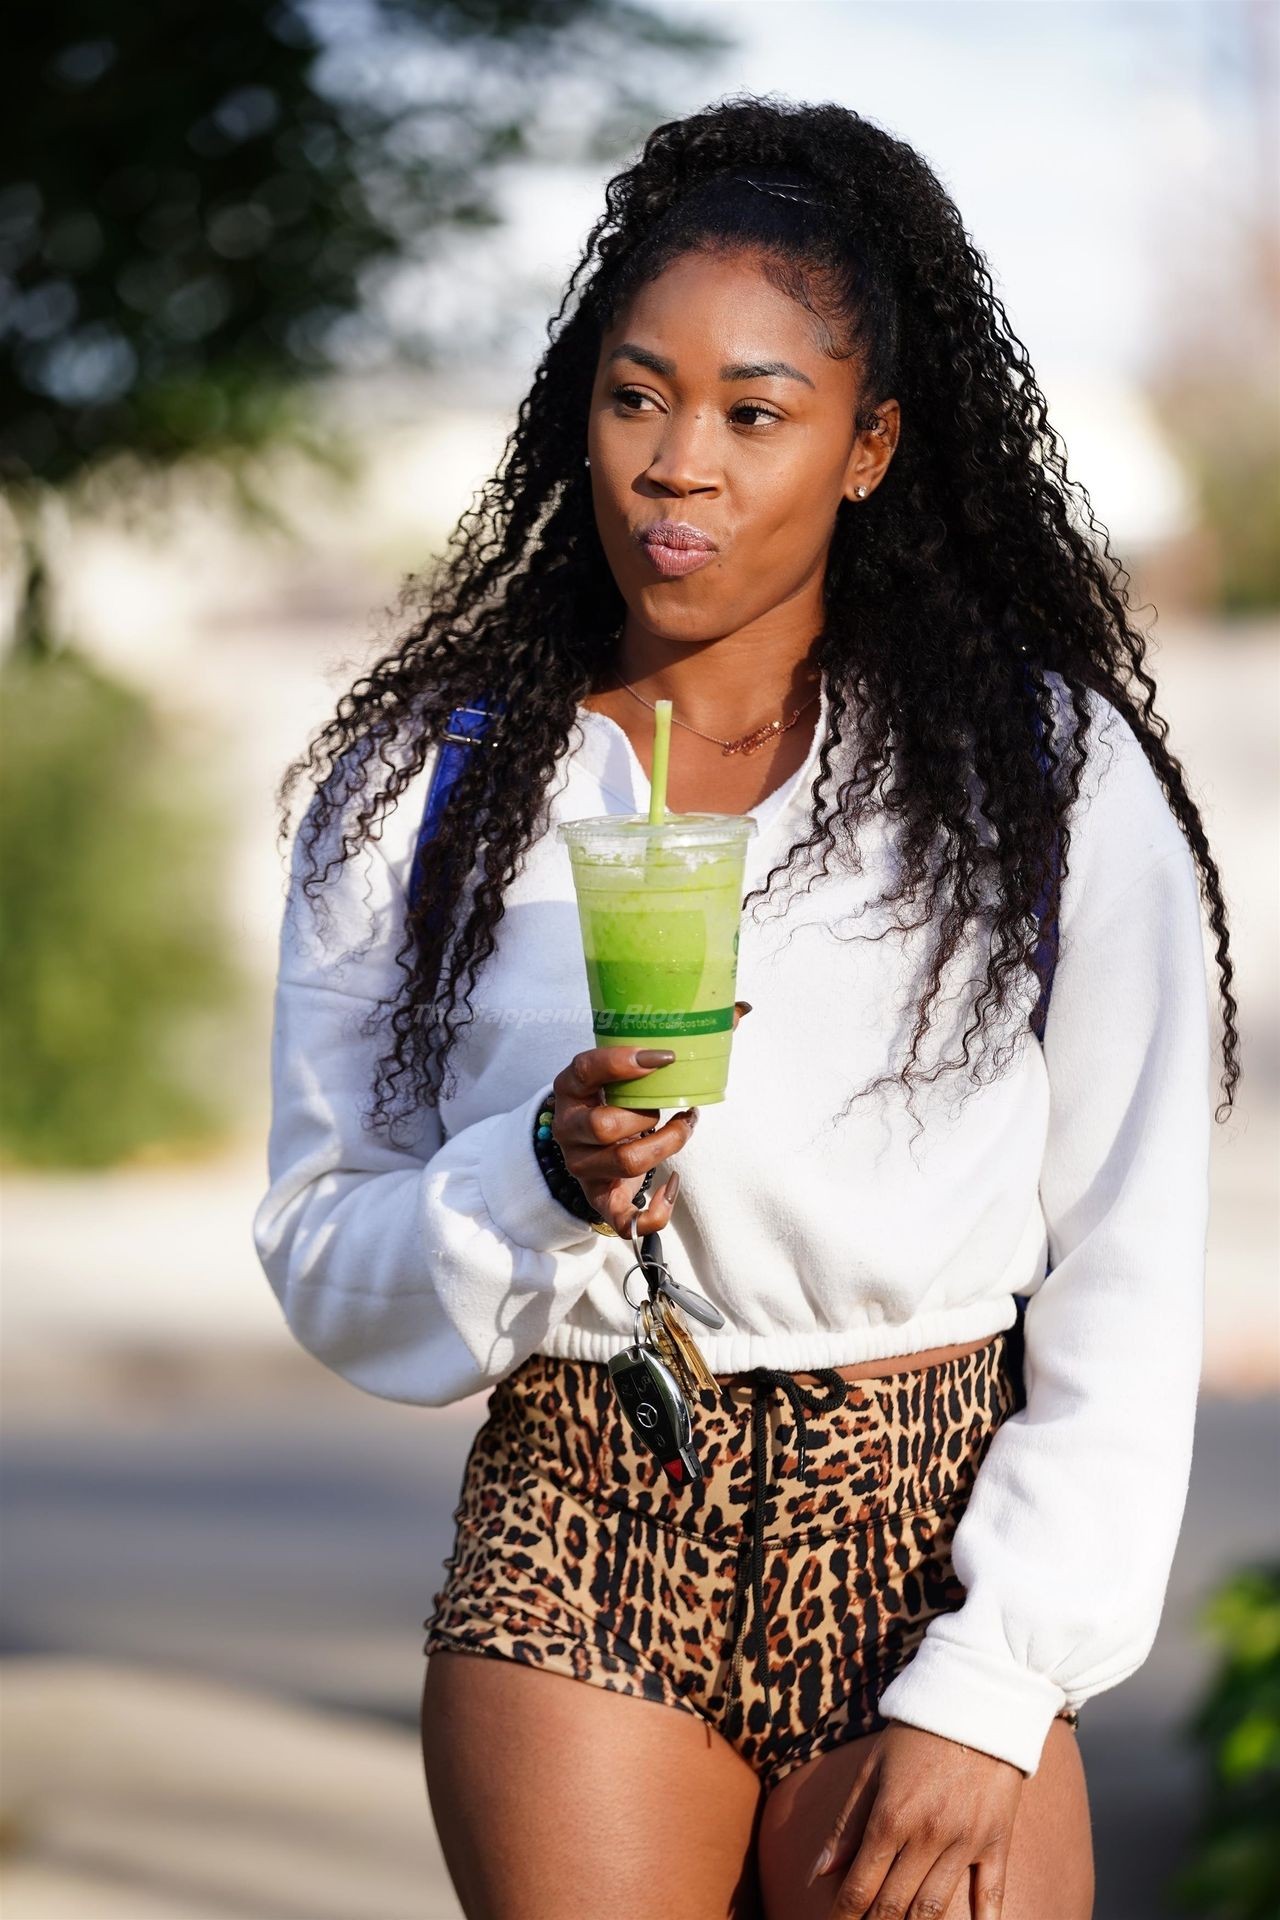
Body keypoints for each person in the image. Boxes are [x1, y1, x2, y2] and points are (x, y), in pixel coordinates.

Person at [253, 97, 1238, 1920]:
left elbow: (1129, 1257)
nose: (676, 465)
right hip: (584, 1505)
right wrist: (536, 1175)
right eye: (636, 397)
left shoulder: (1039, 771)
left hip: (926, 1535)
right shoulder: (425, 783)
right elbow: (323, 1246)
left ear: (867, 448)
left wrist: (1002, 1675)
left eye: (753, 413)